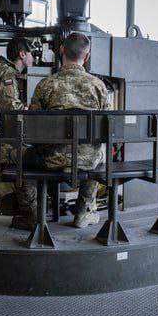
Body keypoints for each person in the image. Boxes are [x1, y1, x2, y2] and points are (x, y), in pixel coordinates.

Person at [29, 32, 111, 228]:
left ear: (61, 50)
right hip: (88, 161)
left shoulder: (46, 85)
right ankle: (84, 211)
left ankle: (35, 213)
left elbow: (33, 127)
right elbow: (107, 127)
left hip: (52, 159)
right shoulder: (99, 86)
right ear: (87, 56)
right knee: (99, 152)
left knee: (26, 154)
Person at [0, 37, 36, 228]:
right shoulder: (6, 73)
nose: (34, 58)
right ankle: (29, 214)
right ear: (22, 54)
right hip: (1, 140)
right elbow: (12, 109)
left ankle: (4, 194)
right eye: (32, 54)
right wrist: (31, 109)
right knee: (33, 160)